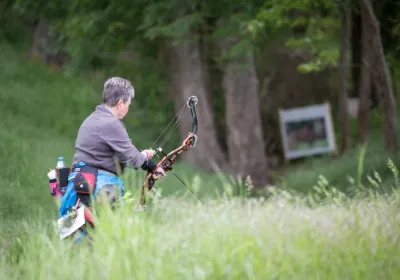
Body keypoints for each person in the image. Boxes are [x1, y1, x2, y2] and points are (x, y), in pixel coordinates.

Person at [59, 77, 165, 217]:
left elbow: (121, 154)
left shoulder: (91, 119)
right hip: (100, 187)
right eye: (128, 104)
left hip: (79, 184)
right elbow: (132, 158)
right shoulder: (111, 124)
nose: (128, 107)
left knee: (87, 234)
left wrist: (142, 155)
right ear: (120, 103)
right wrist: (153, 166)